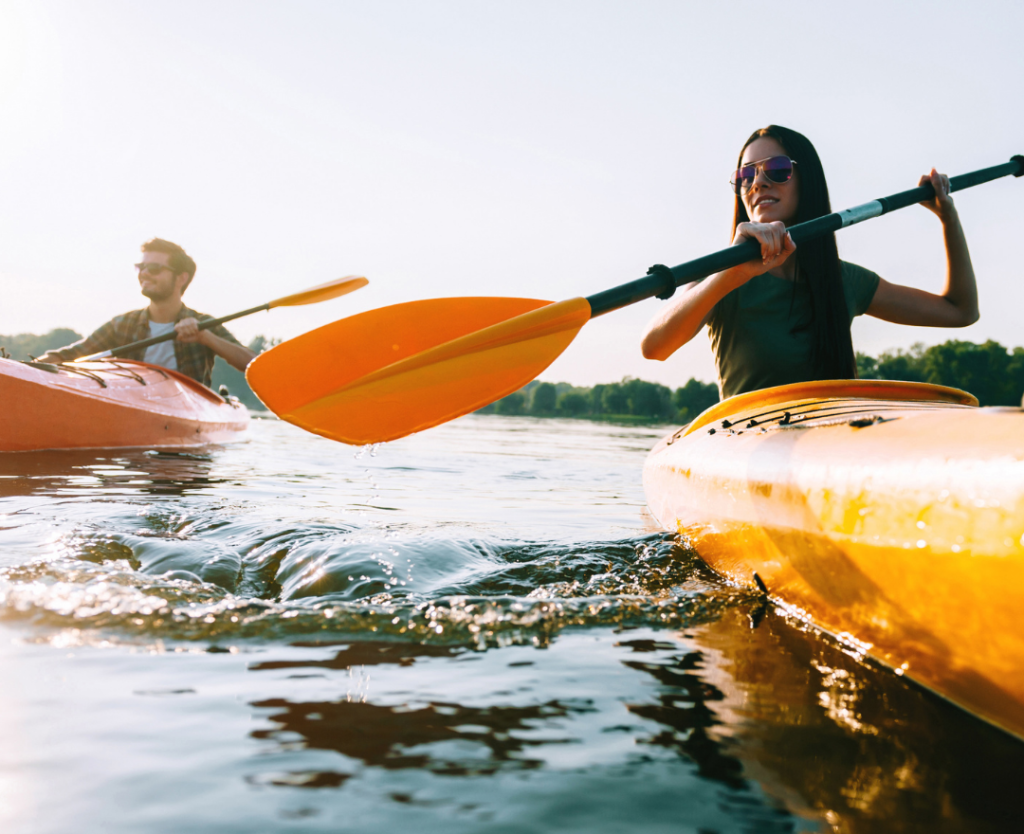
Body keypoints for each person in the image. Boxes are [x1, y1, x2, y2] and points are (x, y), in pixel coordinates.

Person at [640, 125, 979, 399]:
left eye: (776, 169)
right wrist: (732, 273)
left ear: (807, 182)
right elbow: (655, 347)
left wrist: (948, 218)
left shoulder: (844, 280)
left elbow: (960, 311)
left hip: (827, 444)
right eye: (746, 175)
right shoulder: (719, 277)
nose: (757, 182)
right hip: (746, 445)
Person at [39, 238, 256, 388]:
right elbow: (70, 355)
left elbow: (252, 365)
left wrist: (205, 337)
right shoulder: (122, 324)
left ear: (181, 278)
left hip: (188, 412)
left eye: (153, 269)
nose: (144, 274)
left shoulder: (204, 323)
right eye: (140, 267)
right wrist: (31, 366)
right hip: (135, 405)